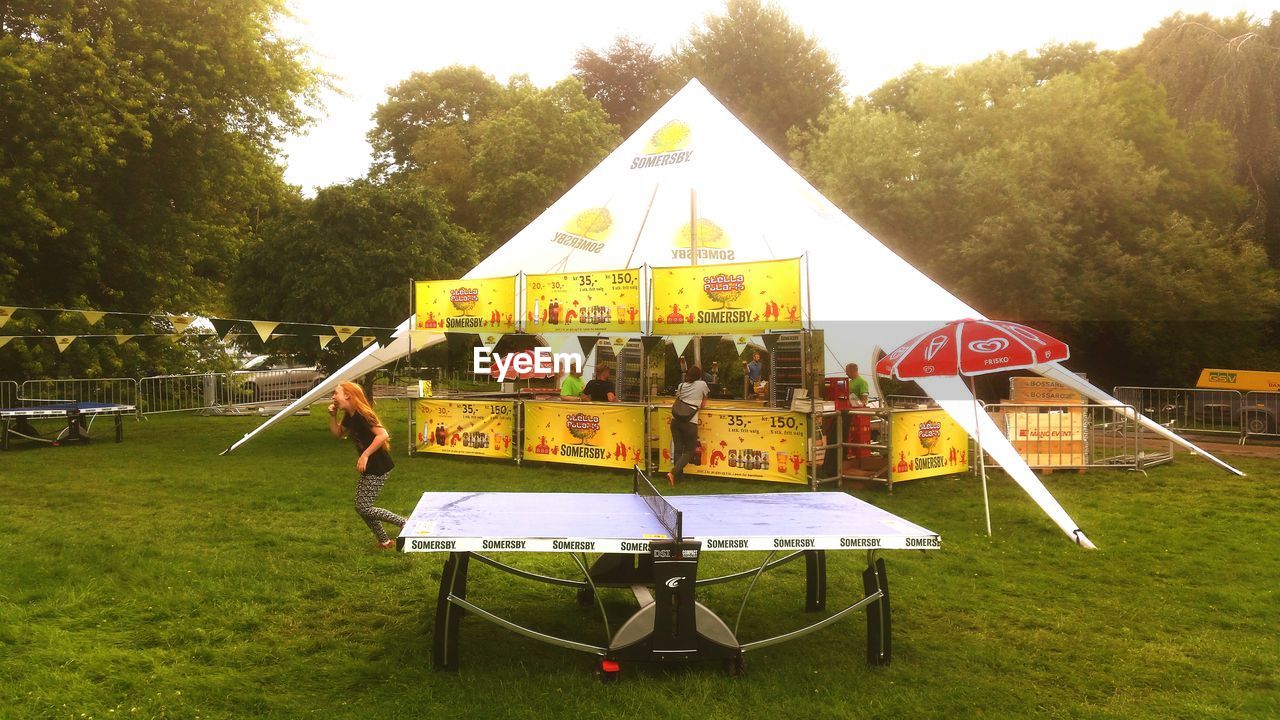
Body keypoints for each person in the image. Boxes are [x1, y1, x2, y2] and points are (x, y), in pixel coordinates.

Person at [328, 381, 406, 549]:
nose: (333, 397)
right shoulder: (350, 415)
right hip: (370, 466)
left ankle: (403, 522)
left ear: (347, 395)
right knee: (361, 506)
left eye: (336, 393)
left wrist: (365, 455)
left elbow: (382, 434)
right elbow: (337, 433)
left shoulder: (362, 414)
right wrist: (333, 416)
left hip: (379, 466)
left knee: (363, 506)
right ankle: (385, 541)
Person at [668, 364, 710, 487]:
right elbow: (703, 404)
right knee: (690, 450)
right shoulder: (702, 384)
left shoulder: (681, 386)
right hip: (690, 422)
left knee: (678, 450)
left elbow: (678, 399)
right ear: (699, 376)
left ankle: (680, 480)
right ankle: (673, 473)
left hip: (675, 420)